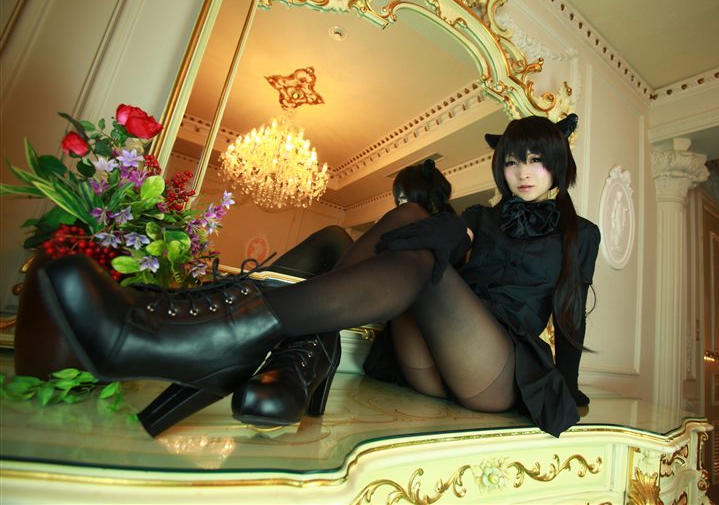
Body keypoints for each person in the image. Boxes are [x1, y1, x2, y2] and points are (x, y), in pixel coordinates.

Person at [38, 114, 600, 438]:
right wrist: (439, 231)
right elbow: (439, 240)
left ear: (558, 163)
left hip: (495, 374)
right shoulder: (479, 217)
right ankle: (293, 350)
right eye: (511, 161)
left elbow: (570, 315)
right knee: (407, 222)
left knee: (420, 246)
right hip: (433, 363)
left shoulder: (581, 232)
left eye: (535, 160)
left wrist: (568, 391)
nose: (521, 172)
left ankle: (230, 337)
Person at [229, 158, 456, 427]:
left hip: (421, 343)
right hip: (384, 308)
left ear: (422, 194)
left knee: (369, 235)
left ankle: (242, 314)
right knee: (335, 236)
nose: (399, 204)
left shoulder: (453, 228)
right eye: (399, 199)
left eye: (404, 197)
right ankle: (290, 330)